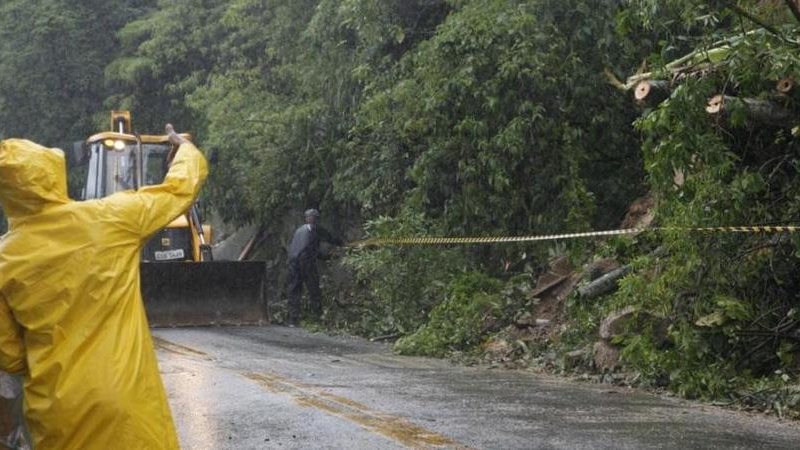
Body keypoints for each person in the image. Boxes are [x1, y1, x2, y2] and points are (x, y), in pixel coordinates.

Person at [0, 124, 207, 449]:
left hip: (57, 415)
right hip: (125, 403)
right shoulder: (109, 220)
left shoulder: (5, 259)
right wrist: (185, 151)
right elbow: (176, 191)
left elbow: (10, 357)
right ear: (54, 174)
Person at [286, 209, 343, 325]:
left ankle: (293, 319)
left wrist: (327, 255)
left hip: (293, 262)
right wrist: (336, 249)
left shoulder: (299, 230)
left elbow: (308, 249)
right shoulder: (315, 230)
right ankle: (317, 317)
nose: (314, 220)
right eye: (314, 218)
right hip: (305, 263)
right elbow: (326, 241)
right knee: (313, 289)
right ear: (313, 219)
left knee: (294, 290)